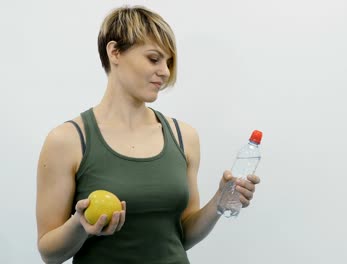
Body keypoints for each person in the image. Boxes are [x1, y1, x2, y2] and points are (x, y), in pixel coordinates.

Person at [35, 5, 261, 264]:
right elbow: (49, 254)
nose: (165, 72)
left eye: (168, 62)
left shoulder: (183, 137)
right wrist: (79, 225)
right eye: (154, 59)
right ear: (115, 52)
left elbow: (182, 235)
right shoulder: (67, 141)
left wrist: (219, 203)